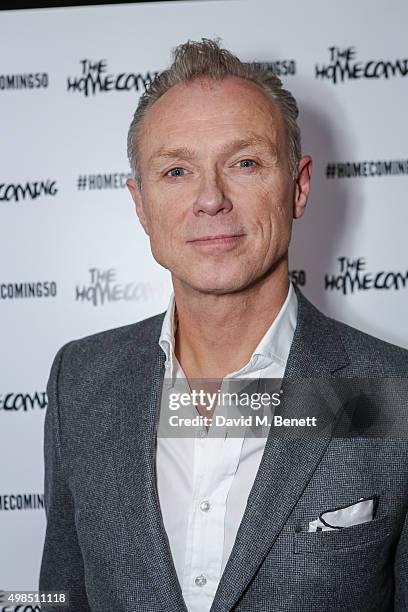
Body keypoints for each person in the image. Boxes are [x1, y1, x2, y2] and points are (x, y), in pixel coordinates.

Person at [39, 38, 408, 611]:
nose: (210, 199)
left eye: (245, 163)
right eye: (177, 170)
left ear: (299, 186)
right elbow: (62, 597)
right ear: (140, 204)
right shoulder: (82, 380)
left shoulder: (391, 393)